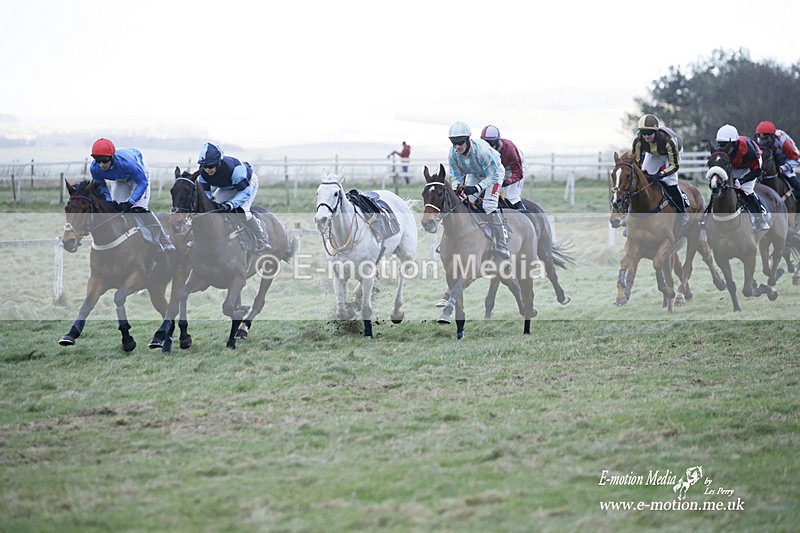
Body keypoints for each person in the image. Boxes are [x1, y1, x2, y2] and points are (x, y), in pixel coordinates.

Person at [89, 138, 175, 252]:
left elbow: (142, 183)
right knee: (115, 210)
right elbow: (102, 187)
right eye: (98, 160)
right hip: (120, 179)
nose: (101, 165)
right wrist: (109, 202)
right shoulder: (94, 168)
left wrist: (130, 202)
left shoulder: (127, 163)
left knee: (139, 209)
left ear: (111, 157)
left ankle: (164, 240)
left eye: (104, 161)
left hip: (139, 177)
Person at [447, 121, 510, 259]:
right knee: (466, 202)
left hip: (494, 174)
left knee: (488, 205)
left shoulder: (482, 151)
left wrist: (477, 188)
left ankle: (502, 242)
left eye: (460, 142)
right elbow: (456, 176)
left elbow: (493, 175)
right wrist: (456, 188)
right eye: (454, 143)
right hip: (476, 173)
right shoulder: (452, 154)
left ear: (468, 140)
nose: (457, 146)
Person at [197, 142, 270, 253]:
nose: (207, 169)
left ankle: (262, 239)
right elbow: (205, 193)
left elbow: (244, 192)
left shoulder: (235, 169)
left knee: (243, 211)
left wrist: (231, 204)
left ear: (218, 163)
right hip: (226, 186)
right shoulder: (203, 173)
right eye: (205, 166)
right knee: (211, 210)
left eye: (211, 166)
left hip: (247, 184)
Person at [630, 114, 689, 233]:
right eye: (643, 133)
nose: (646, 136)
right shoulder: (638, 141)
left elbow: (674, 165)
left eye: (649, 133)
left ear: (656, 132)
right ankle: (631, 212)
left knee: (670, 181)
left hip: (672, 152)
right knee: (644, 179)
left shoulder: (668, 140)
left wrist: (660, 174)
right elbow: (635, 163)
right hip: (653, 153)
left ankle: (682, 213)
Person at [711, 124, 769, 231]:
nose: (722, 148)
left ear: (734, 144)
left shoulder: (749, 151)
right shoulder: (722, 150)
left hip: (749, 166)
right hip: (732, 165)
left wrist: (742, 180)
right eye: (720, 144)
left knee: (747, 190)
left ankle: (760, 219)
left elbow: (756, 171)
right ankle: (707, 216)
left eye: (725, 145)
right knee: (719, 187)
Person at [480, 125, 528, 212]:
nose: (489, 147)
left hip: (516, 168)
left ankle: (527, 217)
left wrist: (508, 181)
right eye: (486, 143)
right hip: (500, 169)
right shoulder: (481, 149)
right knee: (491, 196)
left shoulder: (509, 149)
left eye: (491, 143)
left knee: (512, 197)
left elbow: (518, 173)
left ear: (497, 141)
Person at [754, 120, 800, 199]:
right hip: (769, 161)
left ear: (772, 137)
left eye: (765, 139)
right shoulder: (757, 143)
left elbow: (796, 159)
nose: (762, 142)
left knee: (796, 186)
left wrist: (783, 168)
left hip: (786, 160)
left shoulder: (783, 141)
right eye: (760, 138)